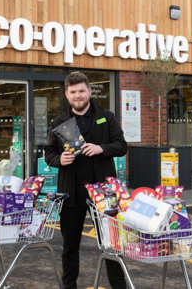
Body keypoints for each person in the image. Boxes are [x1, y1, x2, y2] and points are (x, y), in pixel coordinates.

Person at [44, 72, 128, 289]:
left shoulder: (105, 117)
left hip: (103, 196)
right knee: (70, 248)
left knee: (111, 246)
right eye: (73, 92)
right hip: (71, 194)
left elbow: (122, 145)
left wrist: (102, 148)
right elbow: (49, 153)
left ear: (90, 91)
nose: (78, 95)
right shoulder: (59, 122)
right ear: (66, 95)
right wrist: (59, 159)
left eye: (82, 91)